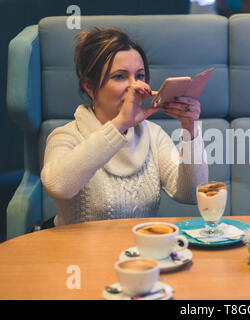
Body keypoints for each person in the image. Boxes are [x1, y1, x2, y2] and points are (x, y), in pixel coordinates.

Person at [41, 28, 208, 227]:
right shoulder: (65, 136)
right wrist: (120, 124)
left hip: (142, 253)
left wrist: (190, 130)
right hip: (79, 255)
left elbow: (192, 193)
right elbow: (58, 186)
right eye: (120, 76)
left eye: (139, 75)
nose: (135, 86)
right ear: (90, 87)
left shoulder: (153, 134)